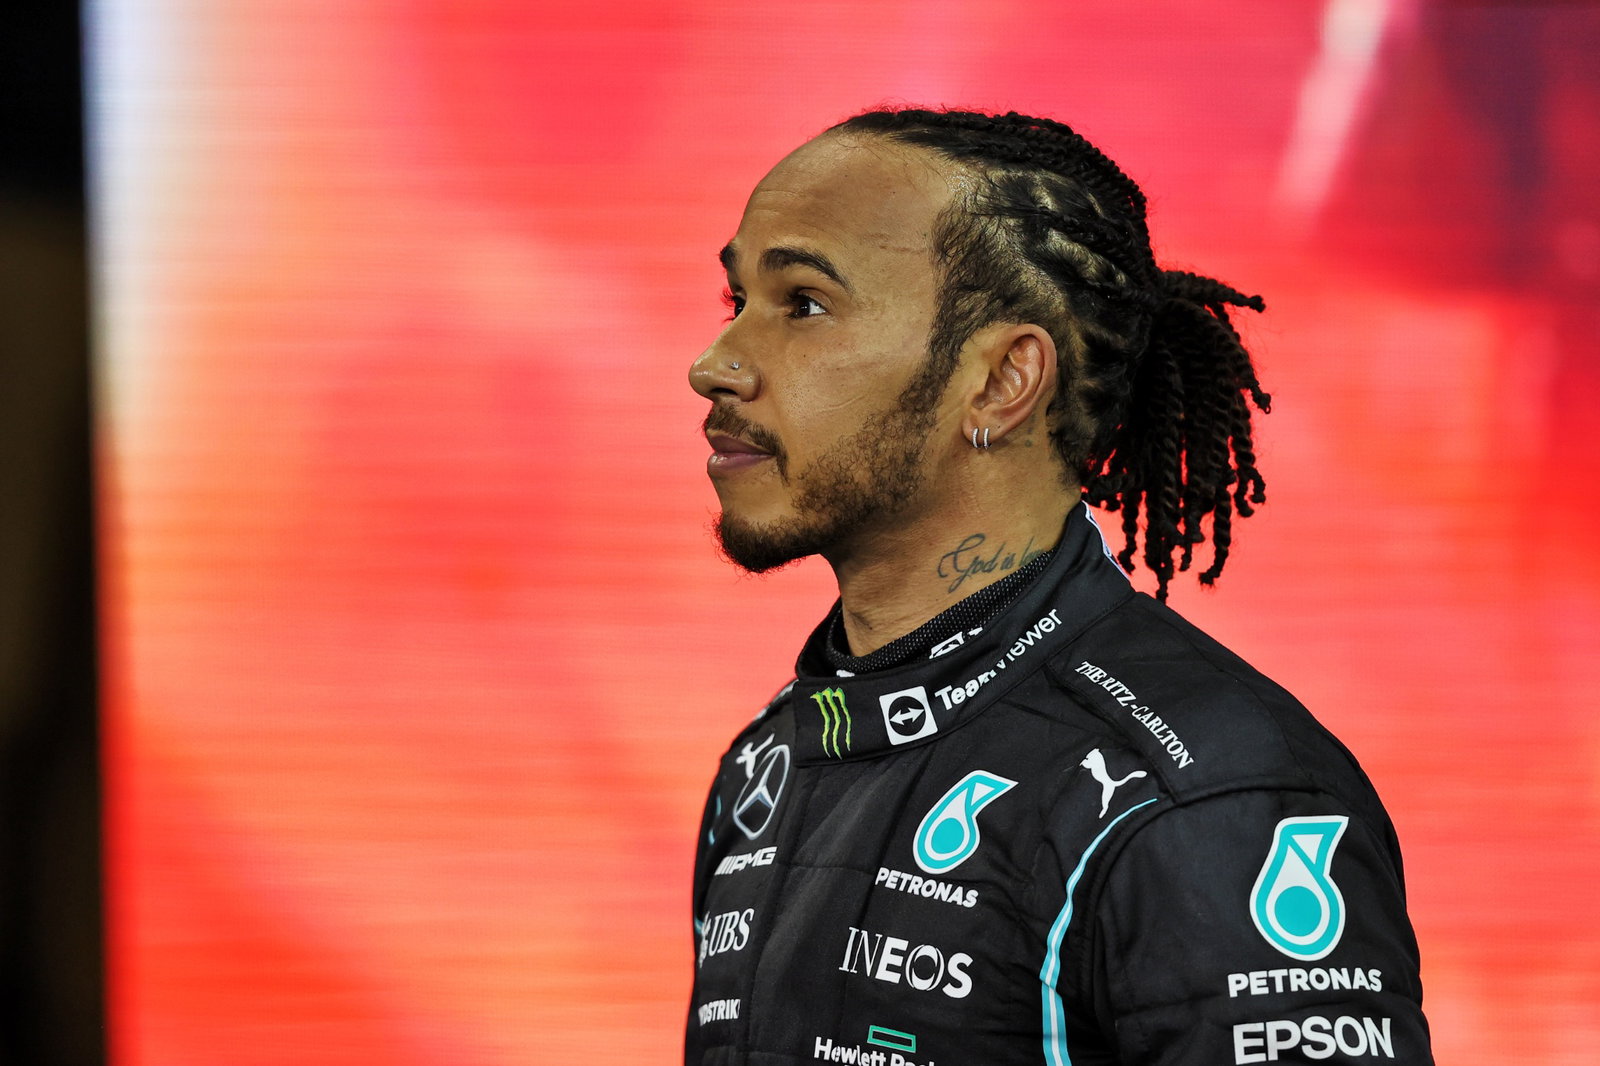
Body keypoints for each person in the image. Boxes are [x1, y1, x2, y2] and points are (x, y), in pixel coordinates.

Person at [685, 108, 1432, 1066]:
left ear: (1003, 381)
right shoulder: (766, 767)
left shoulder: (1210, 795)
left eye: (805, 304)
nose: (716, 366)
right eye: (736, 299)